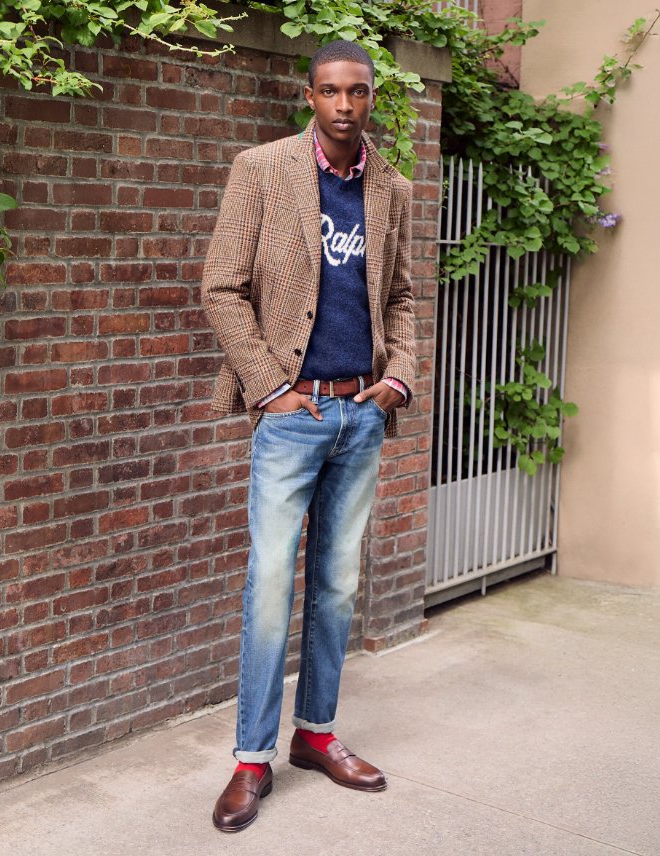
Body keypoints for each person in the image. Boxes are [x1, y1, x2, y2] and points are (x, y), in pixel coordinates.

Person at [201, 39, 416, 833]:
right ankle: (251, 759)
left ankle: (316, 736)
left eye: (357, 92)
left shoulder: (390, 186)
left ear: (371, 97)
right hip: (293, 418)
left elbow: (400, 294)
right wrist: (271, 388)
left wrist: (396, 379)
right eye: (330, 92)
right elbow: (221, 287)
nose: (345, 106)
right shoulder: (261, 170)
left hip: (363, 414)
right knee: (268, 589)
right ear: (310, 96)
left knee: (335, 588)